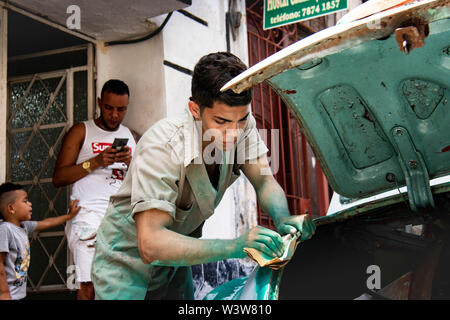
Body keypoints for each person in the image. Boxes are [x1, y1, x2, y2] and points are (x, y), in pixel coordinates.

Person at [91, 52, 316, 300]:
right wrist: (236, 246)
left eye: (241, 120)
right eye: (221, 121)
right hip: (125, 265)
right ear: (195, 109)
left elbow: (263, 180)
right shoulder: (162, 147)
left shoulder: (241, 124)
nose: (233, 132)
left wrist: (282, 217)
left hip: (175, 263)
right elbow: (151, 244)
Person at [52, 79, 137, 300]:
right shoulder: (82, 131)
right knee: (88, 286)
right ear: (100, 103)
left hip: (121, 220)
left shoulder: (131, 136)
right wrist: (95, 162)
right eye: (109, 108)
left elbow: (144, 183)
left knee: (119, 287)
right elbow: (59, 178)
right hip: (87, 218)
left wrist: (130, 163)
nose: (114, 115)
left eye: (121, 109)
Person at [0, 182, 81, 300]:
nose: (30, 204)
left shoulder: (24, 227)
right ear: (11, 208)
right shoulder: (5, 229)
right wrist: (4, 292)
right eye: (25, 201)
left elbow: (47, 222)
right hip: (6, 295)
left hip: (17, 294)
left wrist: (68, 216)